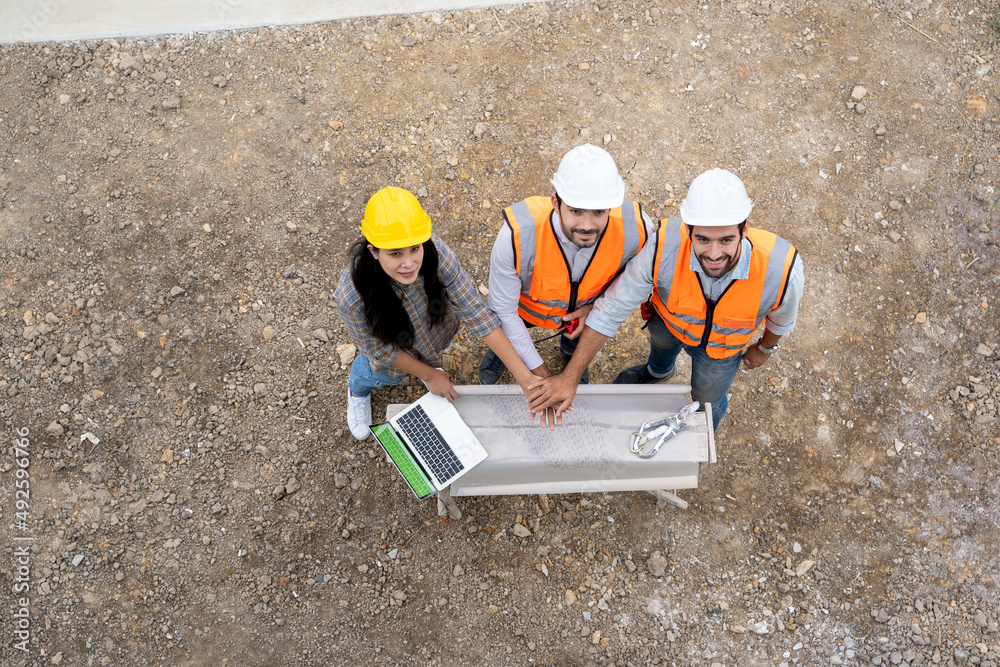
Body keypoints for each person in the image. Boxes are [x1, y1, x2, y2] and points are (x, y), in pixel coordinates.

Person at [527, 168, 804, 431]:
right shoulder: (664, 246)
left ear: (744, 229)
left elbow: (782, 320)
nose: (714, 254)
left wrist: (764, 349)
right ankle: (658, 372)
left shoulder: (780, 268)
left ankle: (701, 439)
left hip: (720, 353)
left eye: (726, 240)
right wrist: (571, 376)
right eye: (703, 239)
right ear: (688, 230)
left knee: (706, 402)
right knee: (660, 355)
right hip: (667, 326)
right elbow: (612, 309)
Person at [334, 186, 541, 440]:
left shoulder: (436, 254)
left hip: (432, 336)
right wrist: (430, 375)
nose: (409, 263)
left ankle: (423, 366)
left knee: (429, 356)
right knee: (375, 373)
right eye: (395, 253)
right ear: (373, 252)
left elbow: (477, 312)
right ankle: (357, 391)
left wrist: (526, 380)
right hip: (393, 350)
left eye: (414, 248)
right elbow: (380, 351)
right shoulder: (352, 298)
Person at [478, 144, 654, 387]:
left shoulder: (638, 231)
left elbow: (637, 282)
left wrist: (593, 308)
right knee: (507, 332)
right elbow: (504, 310)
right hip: (525, 310)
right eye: (576, 211)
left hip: (584, 311)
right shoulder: (517, 236)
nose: (587, 225)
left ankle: (572, 357)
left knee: (576, 340)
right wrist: (540, 372)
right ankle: (503, 354)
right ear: (555, 202)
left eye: (598, 212)